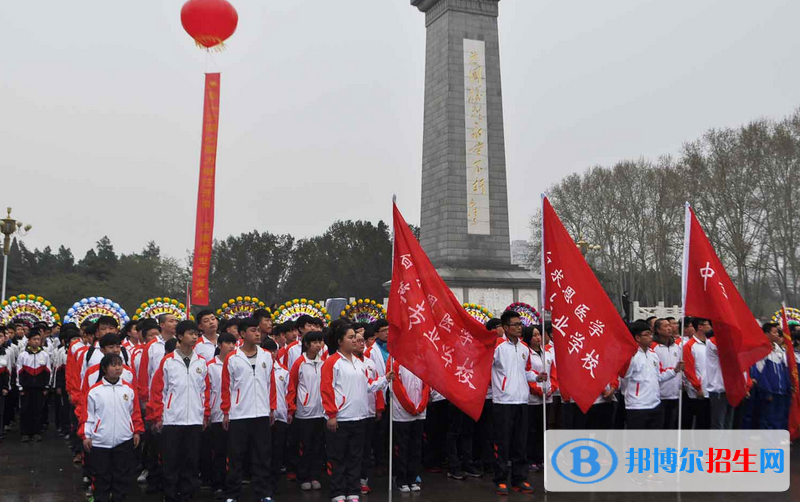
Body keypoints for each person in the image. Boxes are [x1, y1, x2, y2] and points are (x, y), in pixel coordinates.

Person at [322, 322, 393, 502]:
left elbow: (368, 386)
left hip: (360, 417)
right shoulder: (332, 362)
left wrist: (385, 379)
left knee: (356, 457)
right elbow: (326, 390)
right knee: (338, 458)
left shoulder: (360, 363)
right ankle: (338, 492)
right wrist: (331, 415)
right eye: (351, 337)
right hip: (341, 419)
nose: (355, 340)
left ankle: (353, 490)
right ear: (340, 341)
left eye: (355, 337)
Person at [147, 320, 210, 502]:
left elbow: (204, 390)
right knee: (171, 461)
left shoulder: (201, 363)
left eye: (196, 334)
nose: (194, 337)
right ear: (180, 336)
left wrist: (205, 414)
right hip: (172, 419)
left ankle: (188, 494)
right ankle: (171, 495)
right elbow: (158, 390)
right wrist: (158, 416)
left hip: (194, 420)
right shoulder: (168, 361)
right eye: (190, 333)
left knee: (191, 461)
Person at [221, 316, 277, 502]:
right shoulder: (232, 358)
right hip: (239, 414)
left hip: (261, 412)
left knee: (262, 456)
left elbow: (271, 384)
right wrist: (227, 411)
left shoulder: (266, 356)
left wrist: (271, 408)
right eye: (253, 330)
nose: (257, 333)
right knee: (236, 457)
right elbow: (226, 387)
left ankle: (264, 493)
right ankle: (232, 494)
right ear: (242, 334)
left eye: (258, 330)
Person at [81, 354, 144, 502]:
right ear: (104, 368)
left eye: (120, 364)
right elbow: (87, 416)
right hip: (100, 441)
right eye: (113, 365)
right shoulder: (94, 391)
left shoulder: (128, 389)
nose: (118, 368)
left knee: (121, 476)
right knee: (102, 476)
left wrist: (136, 431)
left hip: (124, 440)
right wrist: (86, 436)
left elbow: (134, 413)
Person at [491, 311, 539, 495]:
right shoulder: (497, 347)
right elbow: (484, 367)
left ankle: (520, 479)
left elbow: (526, 372)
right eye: (515, 324)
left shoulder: (525, 348)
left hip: (522, 401)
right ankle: (500, 479)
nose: (520, 327)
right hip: (503, 402)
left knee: (521, 443)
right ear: (505, 328)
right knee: (503, 443)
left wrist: (537, 377)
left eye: (520, 324)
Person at [620, 321, 682, 429]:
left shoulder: (653, 354)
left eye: (650, 333)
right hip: (637, 406)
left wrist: (674, 371)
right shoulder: (630, 355)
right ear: (637, 338)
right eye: (646, 334)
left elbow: (658, 376)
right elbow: (624, 375)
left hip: (655, 404)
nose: (650, 337)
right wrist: (630, 358)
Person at [287, 330, 326, 491]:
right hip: (304, 412)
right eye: (315, 342)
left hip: (321, 411)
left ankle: (315, 475)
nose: (318, 345)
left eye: (320, 342)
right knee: (305, 446)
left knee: (318, 446)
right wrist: (292, 407)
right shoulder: (299, 363)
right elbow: (292, 386)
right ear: (307, 344)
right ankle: (303, 476)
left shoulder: (324, 362)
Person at [389, 358, 429, 493]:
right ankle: (401, 479)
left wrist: (422, 404)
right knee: (402, 447)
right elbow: (397, 387)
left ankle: (412, 477)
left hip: (419, 411)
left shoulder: (420, 360)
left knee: (416, 447)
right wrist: (410, 407)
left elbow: (426, 385)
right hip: (402, 413)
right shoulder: (394, 360)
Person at [205, 332, 237, 498]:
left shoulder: (238, 363)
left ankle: (232, 483)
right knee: (218, 451)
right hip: (217, 414)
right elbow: (207, 391)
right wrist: (208, 412)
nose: (231, 347)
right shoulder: (210, 366)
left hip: (237, 413)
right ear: (219, 345)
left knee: (234, 452)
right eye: (227, 343)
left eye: (234, 343)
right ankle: (217, 483)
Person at [354, 330, 384, 494]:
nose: (359, 344)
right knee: (354, 449)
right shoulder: (342, 362)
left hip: (369, 412)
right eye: (356, 340)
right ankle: (351, 479)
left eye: (361, 341)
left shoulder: (370, 363)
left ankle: (363, 479)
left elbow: (377, 386)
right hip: (353, 413)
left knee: (366, 448)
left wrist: (379, 408)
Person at [526, 326, 557, 471]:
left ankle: (541, 457)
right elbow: (527, 375)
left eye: (539, 334)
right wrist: (538, 390)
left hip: (547, 397)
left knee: (543, 429)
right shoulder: (527, 354)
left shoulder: (548, 353)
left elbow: (554, 374)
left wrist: (552, 388)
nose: (538, 338)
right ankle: (531, 458)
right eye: (534, 335)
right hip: (533, 399)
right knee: (532, 429)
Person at [262, 338, 290, 494]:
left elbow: (288, 393)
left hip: (280, 415)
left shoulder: (283, 370)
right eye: (270, 350)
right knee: (264, 450)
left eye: (275, 350)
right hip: (263, 415)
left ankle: (274, 482)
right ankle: (264, 482)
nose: (273, 354)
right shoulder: (260, 369)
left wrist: (289, 410)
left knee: (278, 449)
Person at [751, 322, 790, 430]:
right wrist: (767, 391)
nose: (777, 334)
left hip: (781, 391)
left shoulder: (779, 351)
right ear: (766, 334)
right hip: (770, 392)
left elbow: (784, 371)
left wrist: (787, 387)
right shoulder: (761, 350)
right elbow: (760, 372)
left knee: (779, 418)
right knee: (767, 419)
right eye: (774, 332)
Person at [16, 329, 51, 442]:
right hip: (26, 388)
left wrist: (46, 386)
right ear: (29, 341)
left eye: (38, 339)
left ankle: (36, 432)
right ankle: (25, 433)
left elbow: (48, 371)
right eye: (34, 339)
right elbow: (19, 372)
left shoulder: (44, 355)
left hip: (40, 388)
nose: (36, 342)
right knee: (25, 410)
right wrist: (20, 387)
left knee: (38, 410)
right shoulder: (23, 355)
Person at [651, 318, 682, 428]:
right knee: (660, 425)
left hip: (675, 393)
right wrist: (673, 371)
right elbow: (655, 373)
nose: (669, 328)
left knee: (672, 424)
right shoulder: (653, 347)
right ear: (658, 330)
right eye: (665, 326)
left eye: (669, 325)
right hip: (660, 394)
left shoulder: (676, 347)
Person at [682, 318, 711, 429]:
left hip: (711, 389)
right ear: (700, 327)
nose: (710, 327)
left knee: (708, 422)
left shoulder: (710, 343)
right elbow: (689, 369)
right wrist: (697, 387)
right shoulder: (689, 346)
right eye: (708, 324)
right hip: (698, 391)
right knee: (700, 422)